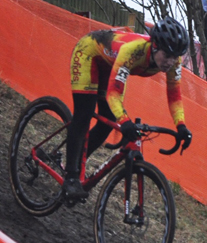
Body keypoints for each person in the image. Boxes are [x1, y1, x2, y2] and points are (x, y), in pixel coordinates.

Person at [64, 17, 193, 201]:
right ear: (155, 46)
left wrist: (181, 125)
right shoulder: (133, 51)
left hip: (110, 63)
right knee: (84, 114)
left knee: (107, 122)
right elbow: (114, 94)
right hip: (89, 53)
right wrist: (124, 121)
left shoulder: (174, 62)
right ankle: (70, 175)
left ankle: (77, 165)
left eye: (174, 57)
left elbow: (174, 95)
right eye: (167, 55)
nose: (170, 62)